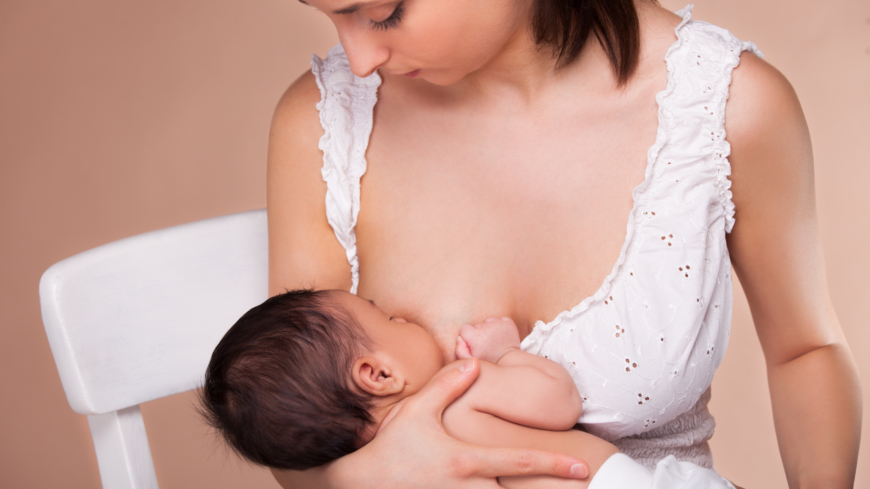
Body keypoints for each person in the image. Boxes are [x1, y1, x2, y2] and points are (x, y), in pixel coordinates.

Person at [267, 0, 862, 487]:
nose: (360, 58)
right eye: (330, 15)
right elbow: (289, 419)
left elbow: (803, 351)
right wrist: (367, 478)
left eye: (385, 12)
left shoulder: (725, 108)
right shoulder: (324, 123)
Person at [201, 288, 738, 488]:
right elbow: (559, 402)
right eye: (387, 317)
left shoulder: (401, 475)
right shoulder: (456, 393)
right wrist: (504, 353)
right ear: (378, 374)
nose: (405, 317)